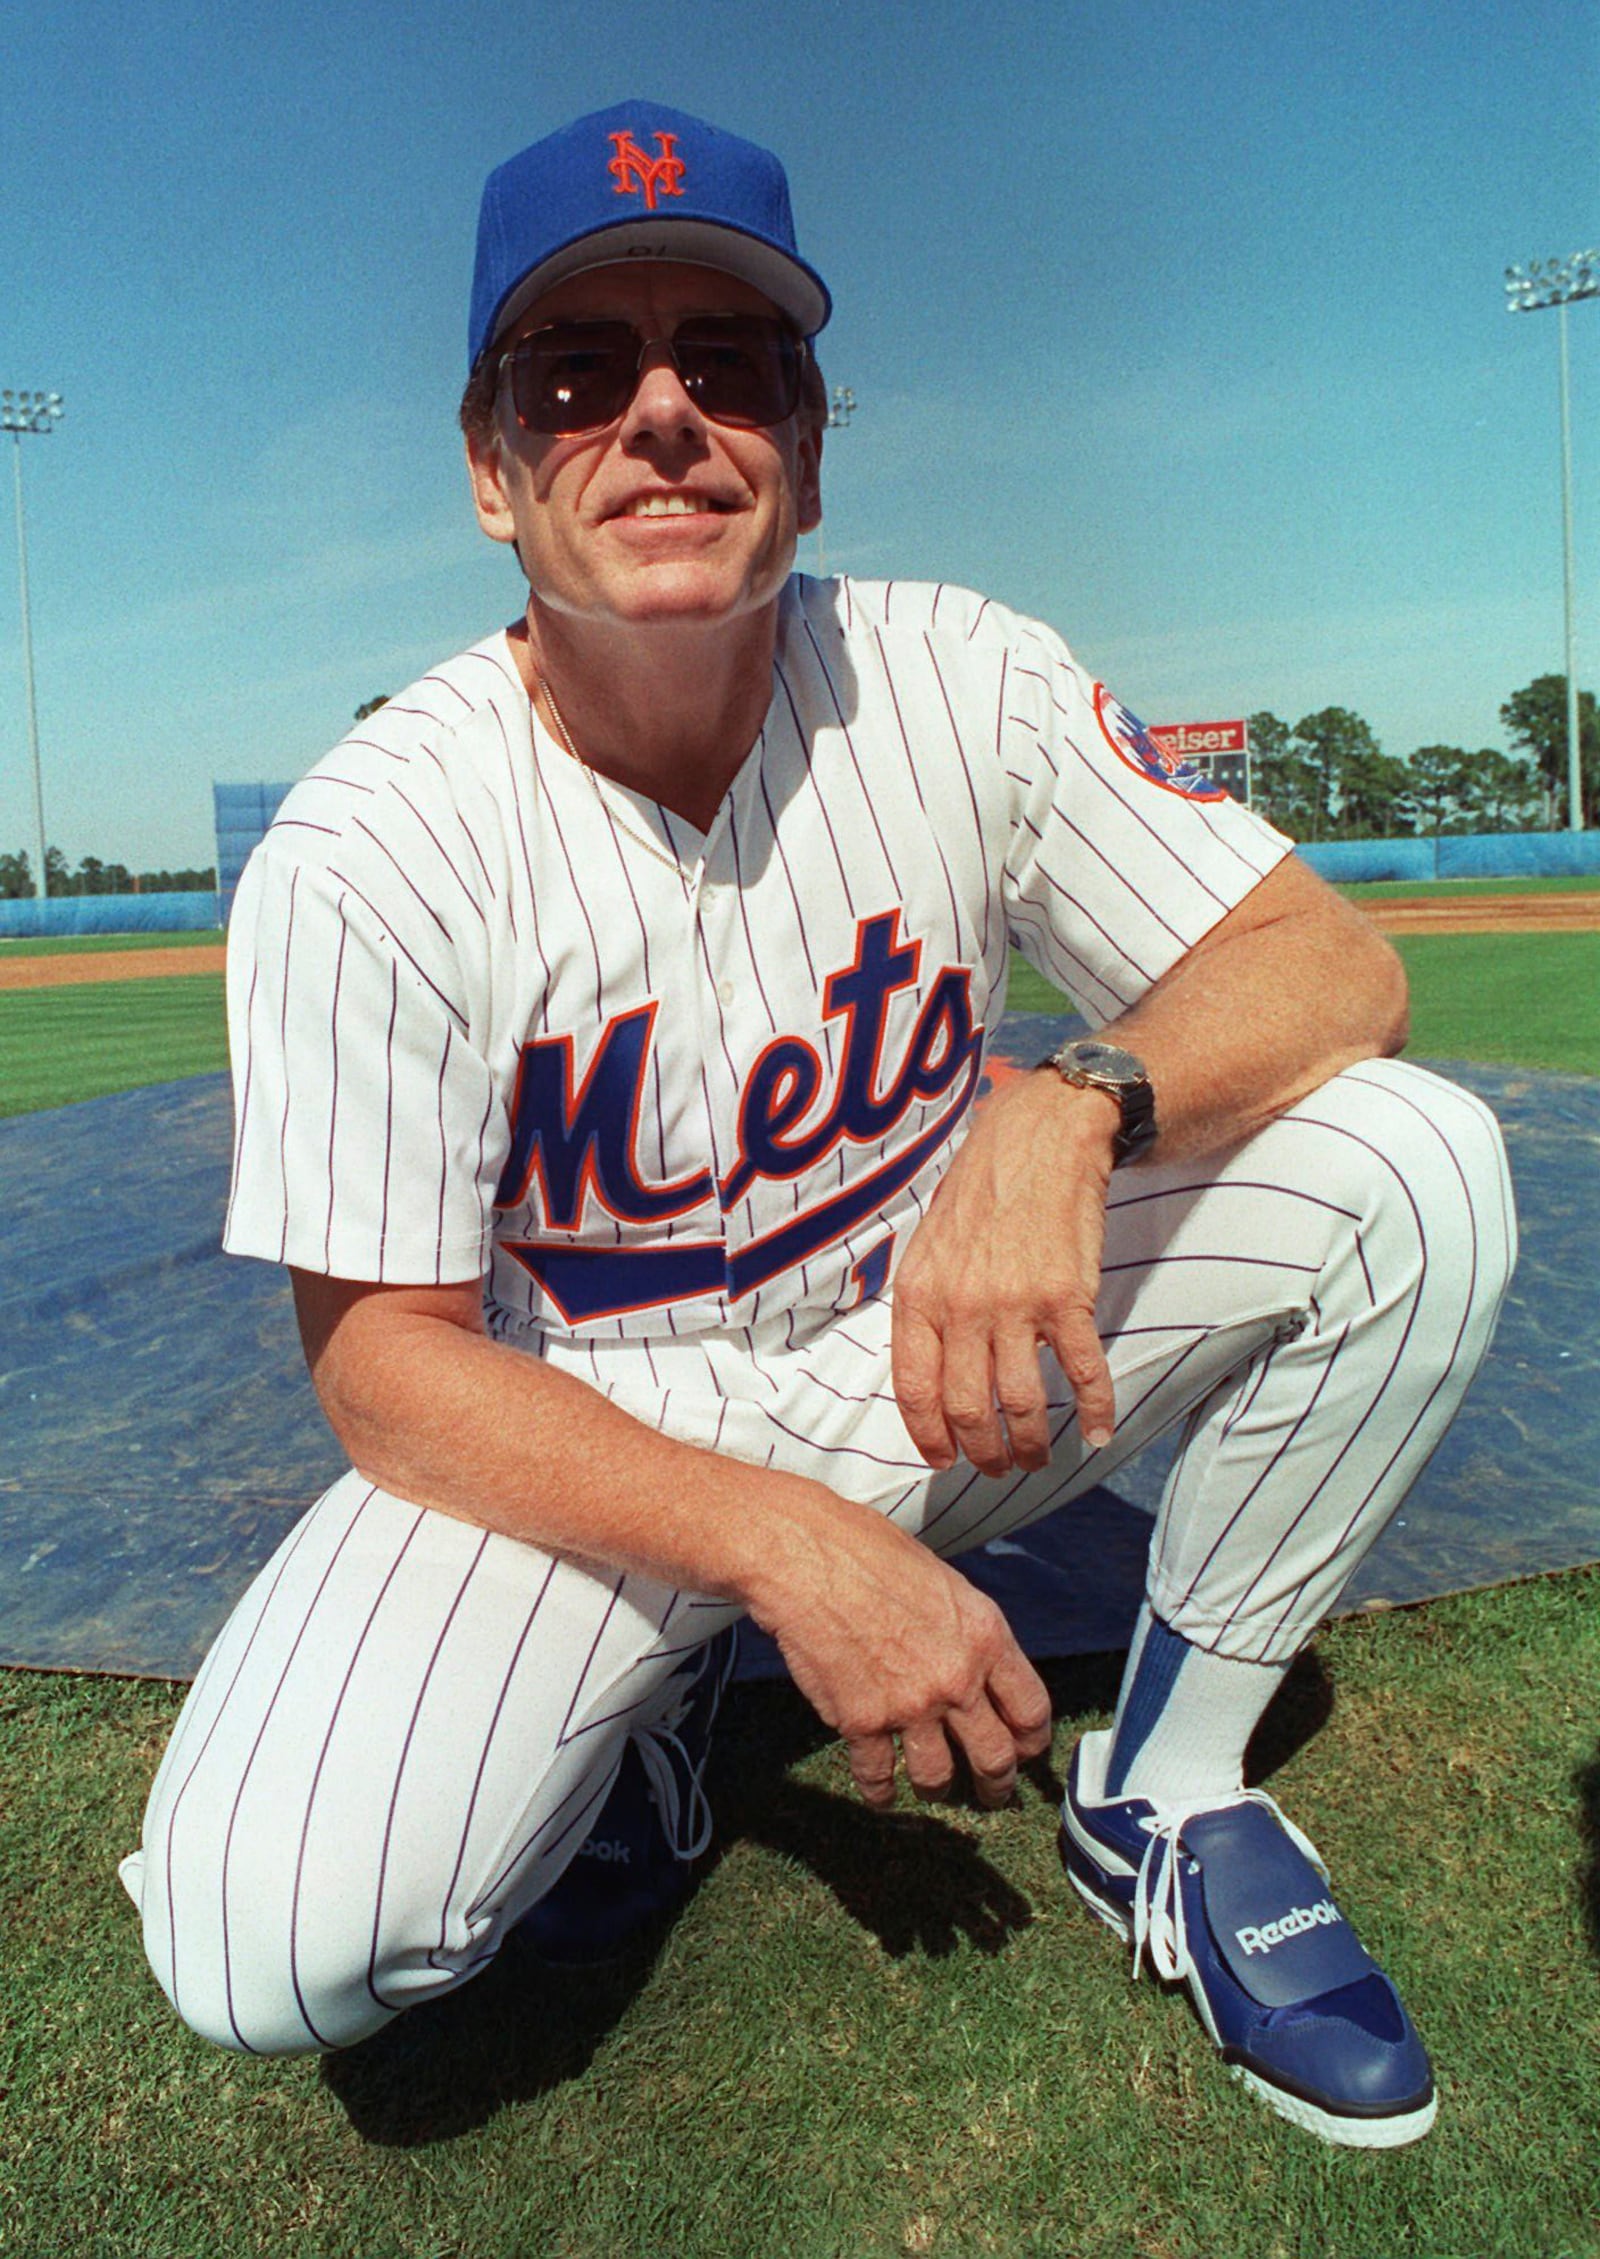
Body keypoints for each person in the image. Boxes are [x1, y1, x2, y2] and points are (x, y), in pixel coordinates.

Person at [121, 101, 1515, 2150]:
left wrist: (1069, 1104)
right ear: (492, 471)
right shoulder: (368, 847)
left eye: (733, 362)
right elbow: (390, 1374)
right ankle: (668, 1720)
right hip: (582, 1455)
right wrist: (783, 1551)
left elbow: (1326, 965)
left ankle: (1171, 1786)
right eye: (578, 373)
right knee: (266, 1950)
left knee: (1408, 1160)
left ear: (810, 440)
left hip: (926, 1361)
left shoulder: (962, 677)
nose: (663, 415)